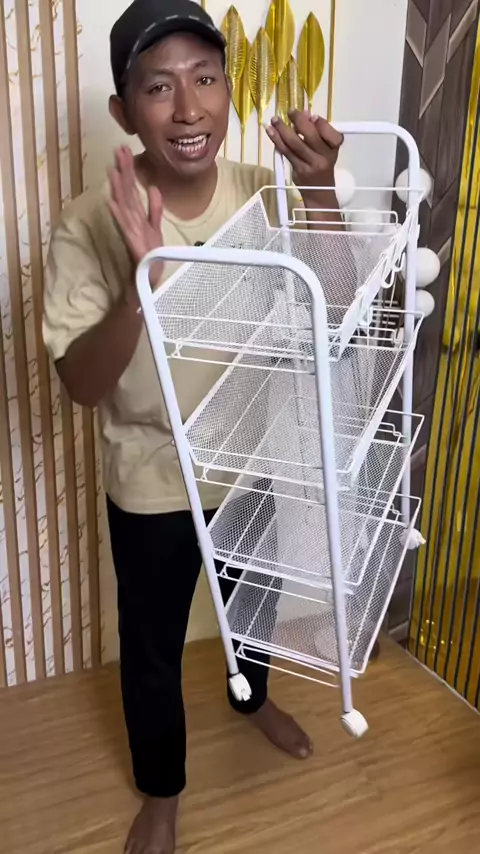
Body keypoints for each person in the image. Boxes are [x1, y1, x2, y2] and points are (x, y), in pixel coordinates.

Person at [43, 2, 345, 852]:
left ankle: (253, 699)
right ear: (123, 111)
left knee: (254, 607)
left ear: (227, 92)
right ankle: (162, 790)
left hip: (248, 456)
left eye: (205, 79)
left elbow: (335, 307)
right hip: (151, 479)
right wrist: (142, 282)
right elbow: (80, 385)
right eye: (159, 87)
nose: (188, 109)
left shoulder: (263, 190)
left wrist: (320, 189)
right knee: (152, 646)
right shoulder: (89, 222)